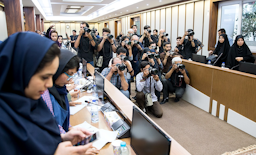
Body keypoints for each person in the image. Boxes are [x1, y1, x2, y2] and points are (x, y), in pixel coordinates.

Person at [0, 32, 97, 155]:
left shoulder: (32, 102)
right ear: (21, 71)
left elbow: (35, 142)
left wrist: (61, 138)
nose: (49, 84)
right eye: (44, 77)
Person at [43, 49, 81, 133]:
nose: (70, 79)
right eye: (69, 74)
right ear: (58, 69)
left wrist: (70, 129)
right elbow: (52, 126)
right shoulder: (44, 93)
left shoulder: (61, 90)